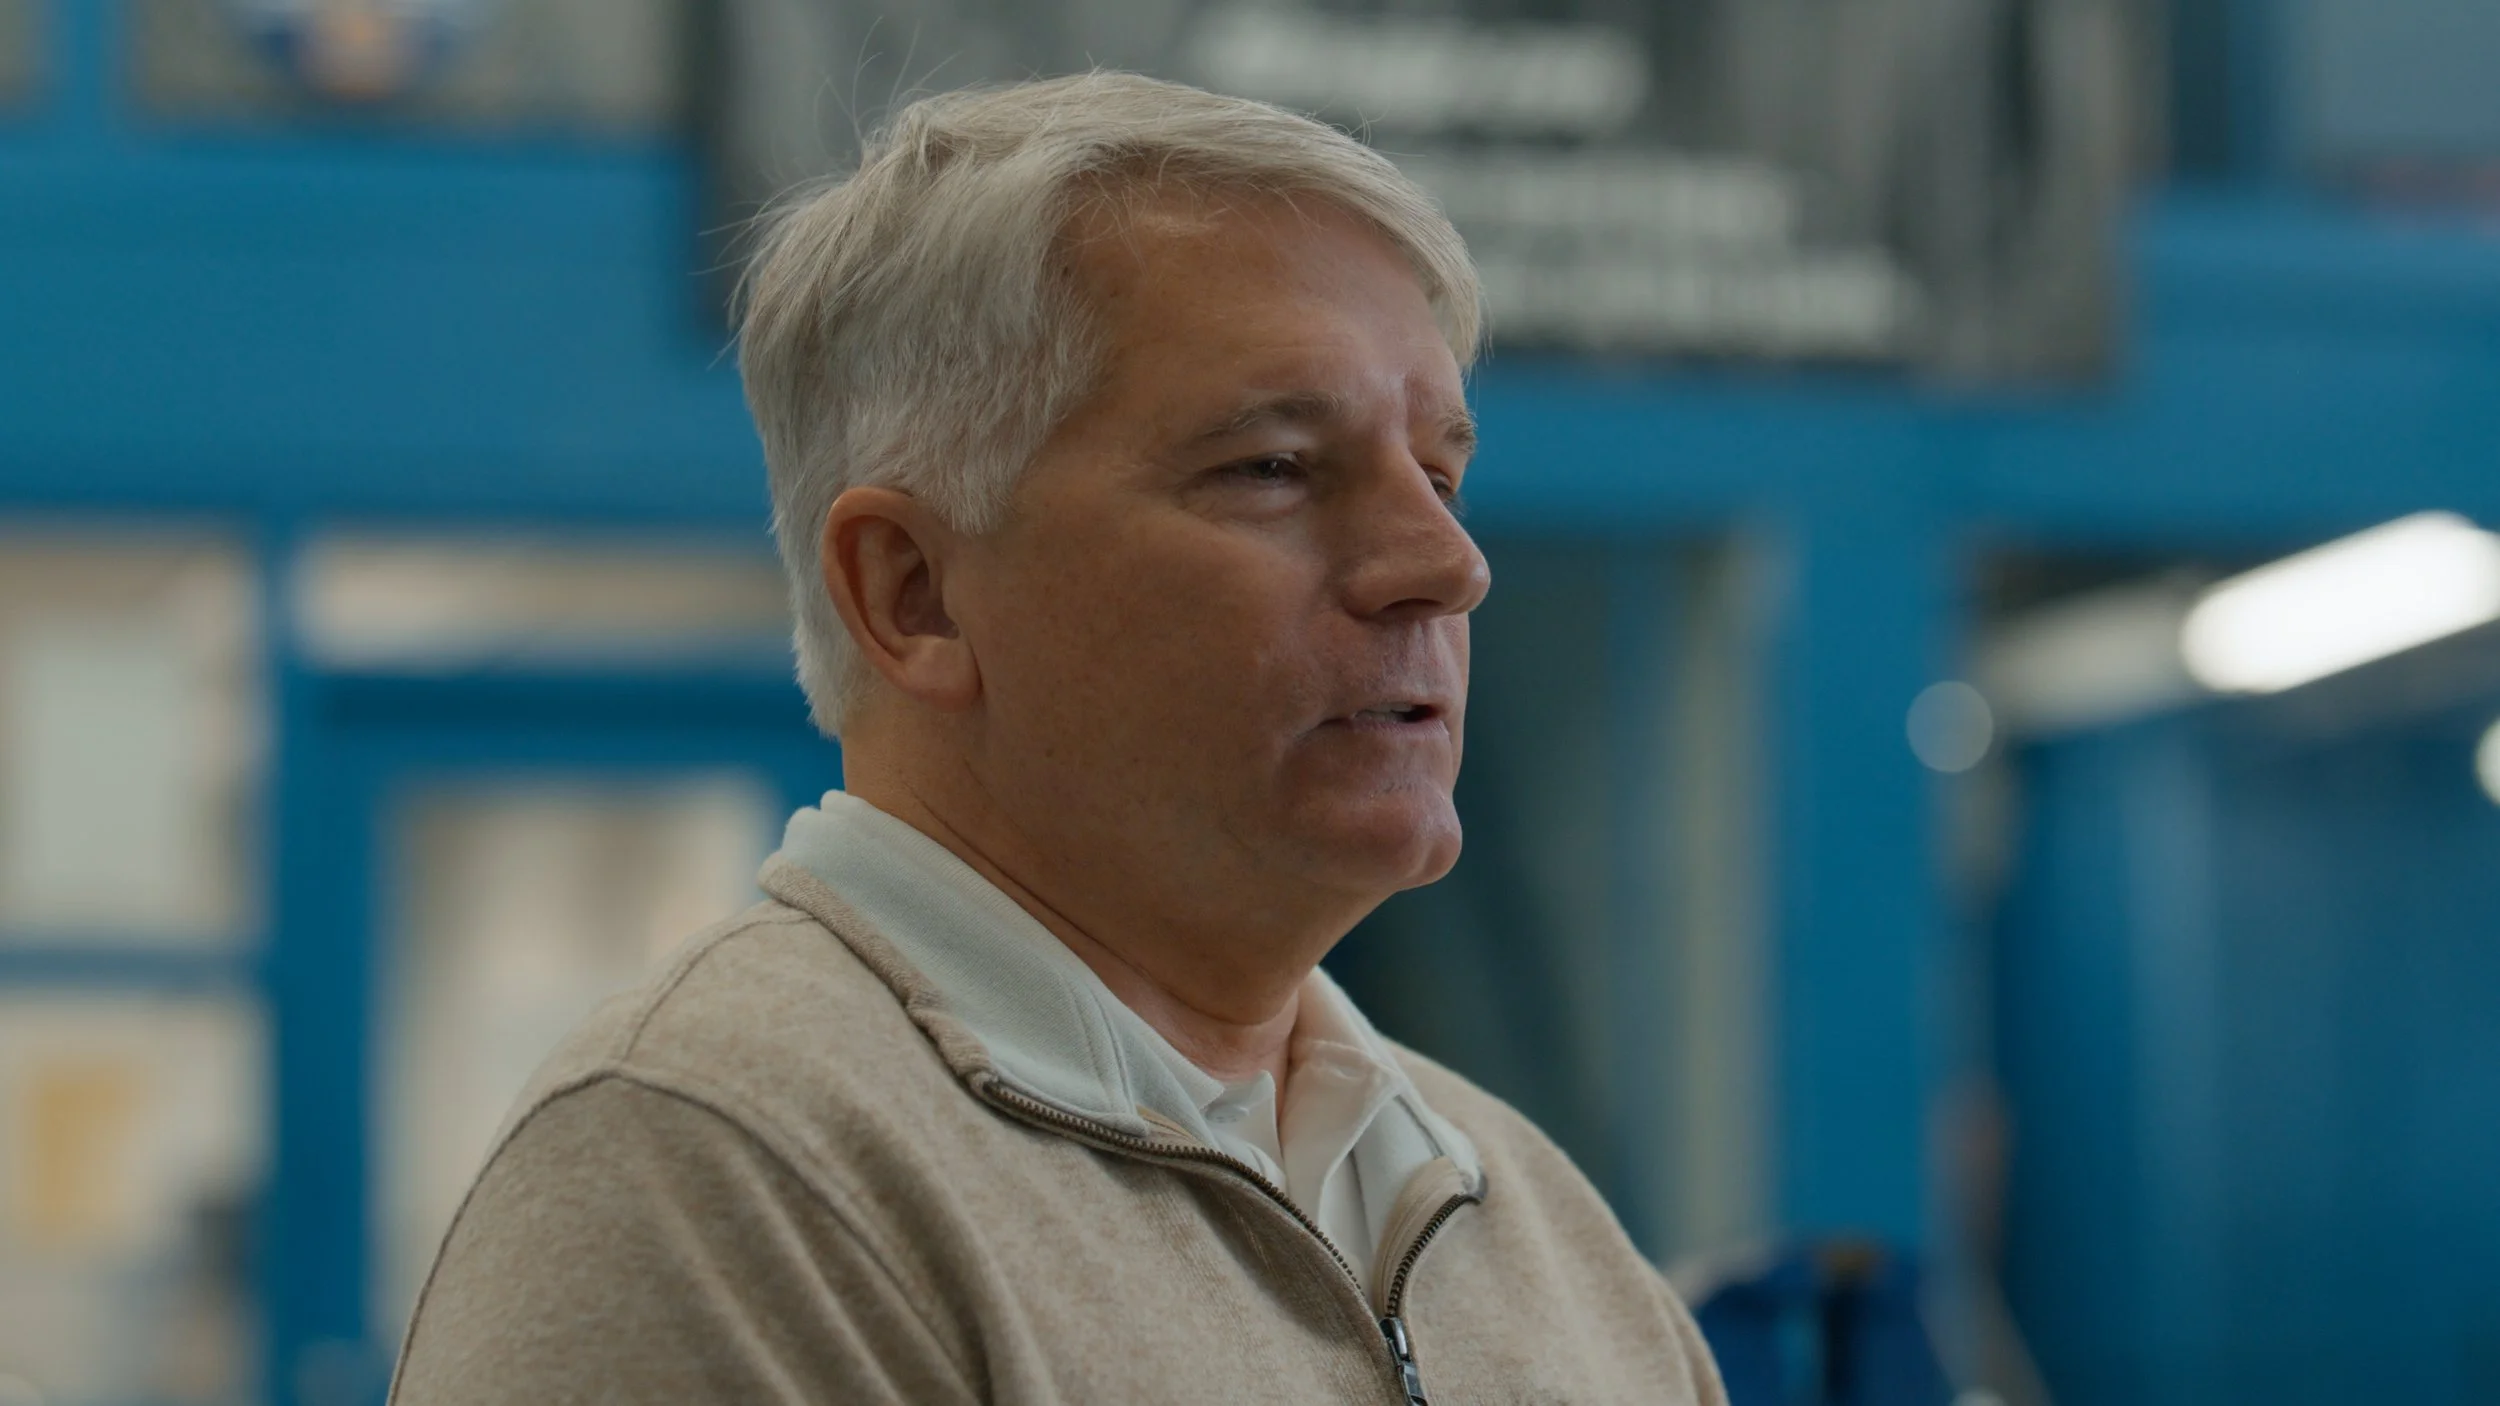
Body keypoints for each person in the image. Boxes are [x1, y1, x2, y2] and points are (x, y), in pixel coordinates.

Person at [388, 71, 1727, 1406]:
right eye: (1273, 466)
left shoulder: (1536, 1225)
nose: (1447, 562)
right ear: (913, 593)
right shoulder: (719, 1172)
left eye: (1439, 473)